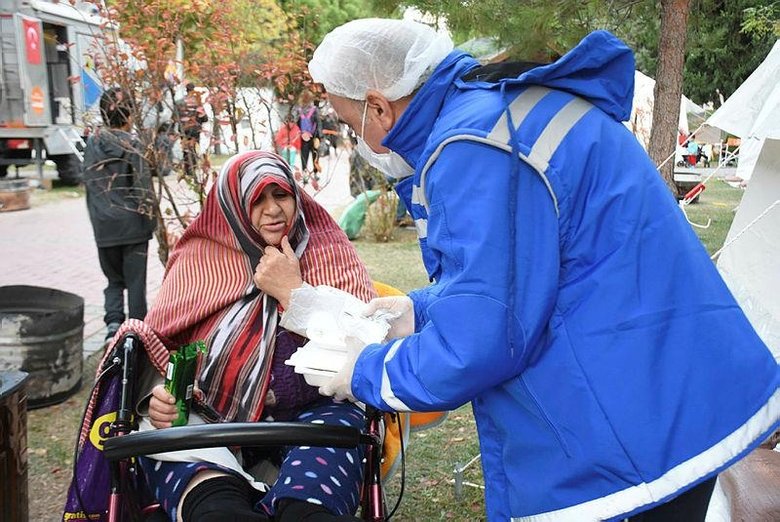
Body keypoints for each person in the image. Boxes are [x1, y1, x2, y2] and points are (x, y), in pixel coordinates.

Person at [308, 18, 780, 521]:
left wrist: (361, 371)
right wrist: (415, 310)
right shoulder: (503, 110)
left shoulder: (473, 147)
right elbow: (526, 272)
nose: (354, 137)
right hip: (663, 388)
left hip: (626, 429)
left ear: (379, 106)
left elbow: (482, 341)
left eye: (347, 121)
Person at [135, 150, 375, 522]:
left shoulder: (329, 251)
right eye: (256, 200)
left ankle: (304, 507)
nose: (273, 210)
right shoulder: (197, 260)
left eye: (281, 194)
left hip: (316, 408)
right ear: (232, 207)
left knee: (308, 509)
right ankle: (217, 505)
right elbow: (163, 350)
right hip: (211, 413)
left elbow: (363, 345)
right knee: (200, 490)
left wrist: (294, 293)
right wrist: (163, 397)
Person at [82, 87, 156, 342]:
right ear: (131, 115)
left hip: (104, 228)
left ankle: (112, 325)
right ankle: (136, 336)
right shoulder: (133, 145)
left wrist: (97, 223)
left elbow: (90, 186)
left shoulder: (92, 144)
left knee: (113, 281)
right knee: (136, 284)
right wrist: (153, 224)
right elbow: (143, 187)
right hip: (133, 225)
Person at [178, 82, 208, 176]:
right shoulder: (197, 102)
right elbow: (204, 118)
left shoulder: (180, 102)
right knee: (194, 148)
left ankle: (187, 169)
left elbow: (177, 116)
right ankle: (192, 168)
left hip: (183, 129)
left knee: (185, 148)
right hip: (195, 129)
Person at [294, 91, 322, 177]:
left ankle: (305, 173)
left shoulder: (298, 110)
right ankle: (316, 174)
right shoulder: (314, 109)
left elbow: (296, 124)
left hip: (303, 137)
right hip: (314, 136)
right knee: (315, 156)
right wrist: (320, 136)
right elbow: (319, 123)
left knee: (304, 156)